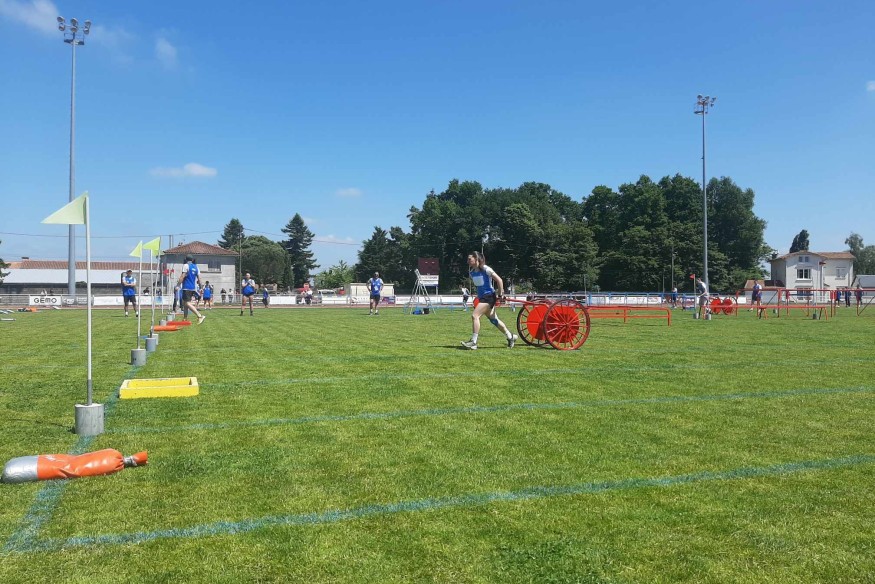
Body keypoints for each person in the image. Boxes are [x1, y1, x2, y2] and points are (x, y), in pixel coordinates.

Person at [461, 252, 517, 350]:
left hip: (489, 297)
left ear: (476, 259)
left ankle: (473, 342)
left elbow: (499, 280)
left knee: (475, 316)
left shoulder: (486, 269)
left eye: (470, 259)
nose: (468, 261)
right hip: (482, 298)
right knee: (494, 320)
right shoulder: (472, 272)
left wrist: (500, 294)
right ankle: (510, 337)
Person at [178, 255, 206, 324]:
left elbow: (182, 276)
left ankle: (199, 316)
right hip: (193, 288)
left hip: (186, 287)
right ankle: (185, 319)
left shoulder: (186, 266)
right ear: (192, 259)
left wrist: (178, 285)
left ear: (186, 259)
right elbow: (199, 279)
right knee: (185, 304)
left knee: (187, 303)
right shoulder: (196, 267)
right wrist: (201, 287)